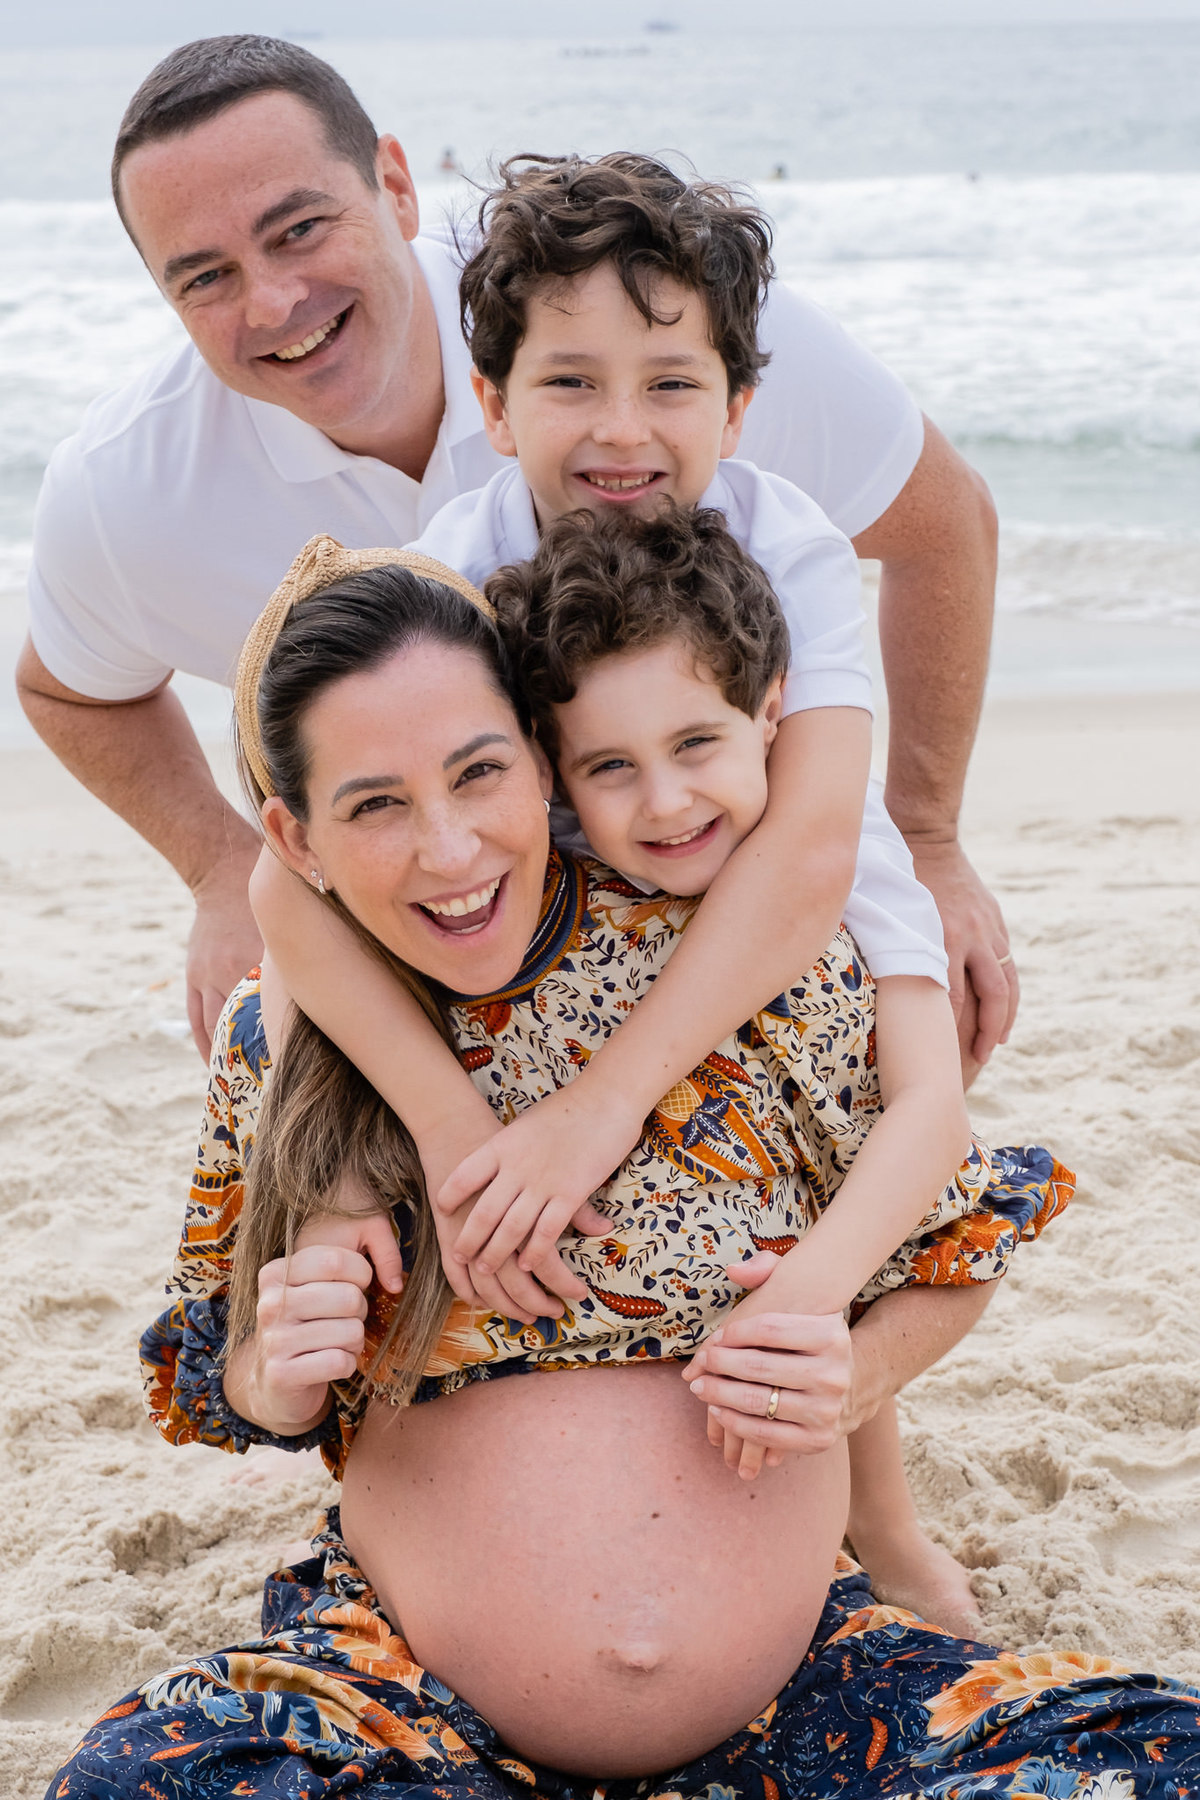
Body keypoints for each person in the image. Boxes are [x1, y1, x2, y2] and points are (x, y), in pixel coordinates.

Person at [49, 544, 1194, 1799]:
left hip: (820, 1701)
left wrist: (853, 1373)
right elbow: (223, 1381)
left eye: (478, 774)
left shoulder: (737, 969)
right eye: (375, 804)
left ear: (538, 763)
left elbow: (957, 1241)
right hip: (409, 1709)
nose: (448, 849)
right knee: (134, 1778)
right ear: (295, 836)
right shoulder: (293, 1041)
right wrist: (277, 1372)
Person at [15, 33, 1012, 1066]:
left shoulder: (639, 316)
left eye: (300, 228)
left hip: (751, 891)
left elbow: (947, 526)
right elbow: (69, 690)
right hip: (490, 920)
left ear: (396, 187)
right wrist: (221, 874)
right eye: (205, 277)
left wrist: (930, 837)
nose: (273, 302)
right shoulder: (128, 486)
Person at [255, 148, 954, 1315]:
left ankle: (865, 1460)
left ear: (736, 411)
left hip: (755, 862)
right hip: (555, 892)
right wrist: (450, 1134)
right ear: (493, 405)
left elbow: (816, 842)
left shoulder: (791, 548)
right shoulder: (449, 575)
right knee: (288, 986)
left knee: (880, 1114)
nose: (621, 432)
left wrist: (600, 1107)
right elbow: (289, 890)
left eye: (671, 385)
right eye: (570, 383)